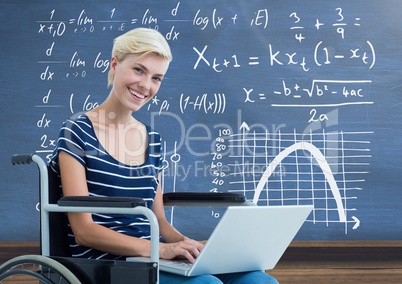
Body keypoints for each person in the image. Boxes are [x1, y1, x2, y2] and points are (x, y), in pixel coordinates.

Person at [50, 27, 278, 284]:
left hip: (154, 256)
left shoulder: (153, 139)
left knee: (259, 280)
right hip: (108, 265)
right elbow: (83, 231)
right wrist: (160, 250)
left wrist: (190, 246)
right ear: (114, 63)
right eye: (139, 70)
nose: (146, 86)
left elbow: (158, 220)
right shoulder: (77, 130)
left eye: (156, 78)